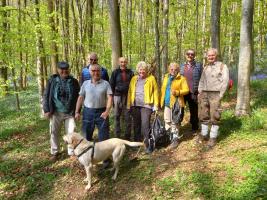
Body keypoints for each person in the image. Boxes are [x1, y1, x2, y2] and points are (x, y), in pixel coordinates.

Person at [43, 61, 80, 161]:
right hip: (55, 112)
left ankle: (71, 152)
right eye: (62, 69)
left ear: (69, 70)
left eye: (66, 69)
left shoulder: (74, 81)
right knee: (54, 132)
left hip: (70, 113)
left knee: (71, 133)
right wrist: (46, 109)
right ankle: (55, 152)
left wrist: (77, 111)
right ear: (58, 70)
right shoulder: (52, 80)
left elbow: (78, 97)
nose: (64, 71)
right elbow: (46, 95)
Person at [198, 48, 229, 148]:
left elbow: (225, 81)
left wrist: (221, 95)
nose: (210, 57)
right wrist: (200, 91)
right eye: (209, 55)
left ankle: (213, 138)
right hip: (204, 94)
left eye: (212, 55)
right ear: (206, 57)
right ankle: (204, 134)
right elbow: (202, 80)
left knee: (215, 116)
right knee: (203, 115)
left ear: (216, 55)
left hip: (216, 94)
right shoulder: (206, 67)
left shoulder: (222, 66)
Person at [75, 63, 113, 142]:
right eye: (93, 71)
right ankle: (87, 153)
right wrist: (77, 112)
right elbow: (80, 97)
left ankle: (103, 153)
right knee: (85, 138)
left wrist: (107, 111)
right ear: (90, 72)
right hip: (88, 112)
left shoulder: (106, 84)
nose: (96, 72)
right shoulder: (85, 84)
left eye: (98, 70)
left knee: (104, 138)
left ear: (101, 71)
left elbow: (110, 98)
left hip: (102, 112)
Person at [127, 61, 159, 153]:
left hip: (147, 105)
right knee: (136, 125)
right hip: (135, 105)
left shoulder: (151, 78)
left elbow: (156, 92)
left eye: (143, 70)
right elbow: (130, 92)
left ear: (147, 70)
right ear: (138, 70)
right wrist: (128, 104)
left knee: (145, 125)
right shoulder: (134, 78)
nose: (142, 72)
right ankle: (137, 143)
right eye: (140, 70)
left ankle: (148, 144)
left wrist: (156, 105)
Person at [160, 63, 189, 149]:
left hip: (177, 102)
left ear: (178, 70)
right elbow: (163, 89)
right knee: (167, 120)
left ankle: (175, 139)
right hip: (167, 102)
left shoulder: (182, 78)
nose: (173, 71)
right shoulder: (166, 77)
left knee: (175, 121)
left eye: (175, 69)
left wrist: (178, 92)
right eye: (171, 69)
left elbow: (186, 90)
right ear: (169, 69)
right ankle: (169, 137)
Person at [110, 57, 134, 139]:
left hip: (127, 97)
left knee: (128, 117)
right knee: (117, 116)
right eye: (121, 62)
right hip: (117, 97)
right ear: (118, 62)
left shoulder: (130, 72)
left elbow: (133, 85)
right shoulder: (115, 72)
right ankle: (117, 136)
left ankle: (127, 137)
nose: (123, 64)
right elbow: (111, 85)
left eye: (124, 62)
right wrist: (112, 99)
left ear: (126, 62)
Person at [180, 49, 203, 132]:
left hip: (193, 91)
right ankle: (177, 126)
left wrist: (201, 90)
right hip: (182, 92)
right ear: (185, 55)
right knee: (180, 109)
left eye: (192, 54)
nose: (190, 55)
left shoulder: (198, 65)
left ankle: (194, 126)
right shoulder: (182, 65)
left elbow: (202, 78)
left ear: (194, 56)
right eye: (188, 54)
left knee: (194, 110)